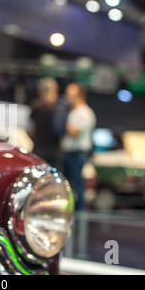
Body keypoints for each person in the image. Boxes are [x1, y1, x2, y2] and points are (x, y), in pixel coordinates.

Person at [61, 83, 96, 211]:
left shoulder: (84, 113)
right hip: (70, 153)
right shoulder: (74, 112)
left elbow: (76, 132)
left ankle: (81, 213)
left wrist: (63, 124)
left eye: (71, 95)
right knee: (68, 184)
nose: (68, 98)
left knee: (78, 185)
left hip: (77, 154)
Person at [29, 77, 60, 166]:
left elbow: (31, 127)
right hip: (55, 149)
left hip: (39, 148)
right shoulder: (59, 107)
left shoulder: (36, 106)